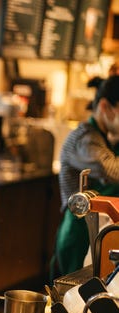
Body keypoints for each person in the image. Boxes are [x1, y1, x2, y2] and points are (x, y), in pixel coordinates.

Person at [51, 76, 119, 282]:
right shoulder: (84, 139)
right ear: (106, 107)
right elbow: (112, 170)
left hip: (101, 230)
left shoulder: (103, 137)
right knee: (72, 297)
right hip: (80, 233)